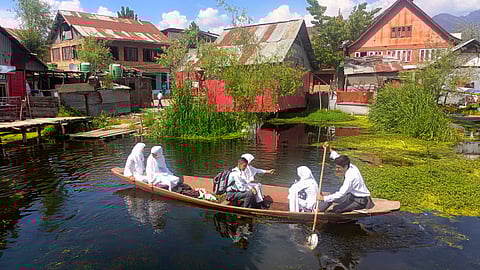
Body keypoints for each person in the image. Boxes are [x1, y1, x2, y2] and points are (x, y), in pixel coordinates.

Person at [317, 144, 373, 213]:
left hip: (360, 201)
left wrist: (323, 198)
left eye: (339, 168)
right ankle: (317, 211)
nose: (336, 170)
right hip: (351, 196)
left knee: (336, 209)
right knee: (330, 197)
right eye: (336, 167)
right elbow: (337, 156)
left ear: (345, 167)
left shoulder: (351, 176)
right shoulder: (349, 165)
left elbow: (341, 193)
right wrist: (329, 150)